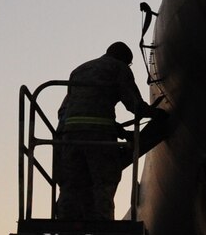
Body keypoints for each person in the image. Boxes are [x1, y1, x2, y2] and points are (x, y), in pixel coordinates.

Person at [54, 41, 155, 221]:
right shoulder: (119, 68)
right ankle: (103, 222)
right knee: (104, 182)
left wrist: (119, 130)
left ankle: (64, 222)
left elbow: (80, 108)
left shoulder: (79, 70)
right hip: (99, 136)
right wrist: (157, 113)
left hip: (70, 134)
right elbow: (135, 105)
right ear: (125, 60)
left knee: (70, 184)